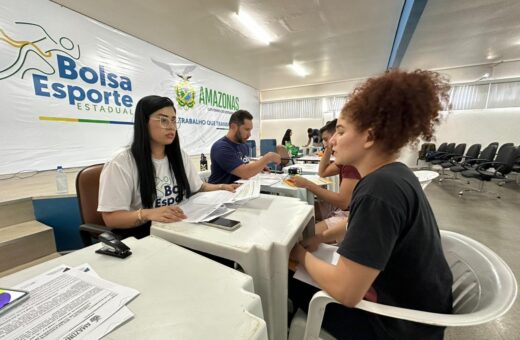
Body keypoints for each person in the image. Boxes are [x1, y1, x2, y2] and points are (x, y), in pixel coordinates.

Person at [290, 70, 453, 339]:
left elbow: (346, 292)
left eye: (340, 131)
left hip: (397, 324)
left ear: (369, 136)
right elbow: (356, 224)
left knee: (286, 281)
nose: (331, 141)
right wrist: (323, 236)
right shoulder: (395, 173)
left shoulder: (378, 190)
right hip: (418, 308)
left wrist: (300, 255)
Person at [98, 95, 237, 234]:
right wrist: (148, 214)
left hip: (182, 227)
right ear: (144, 122)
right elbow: (111, 218)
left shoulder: (179, 155)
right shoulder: (121, 162)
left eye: (174, 120)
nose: (171, 126)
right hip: (145, 235)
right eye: (163, 120)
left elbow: (198, 187)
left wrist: (222, 186)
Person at [289, 119, 361, 248]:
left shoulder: (351, 163)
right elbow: (323, 172)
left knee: (301, 238)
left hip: (349, 214)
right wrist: (328, 149)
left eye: (326, 139)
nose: (325, 143)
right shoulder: (343, 159)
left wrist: (307, 184)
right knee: (304, 210)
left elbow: (343, 201)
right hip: (343, 208)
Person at [208, 110, 281, 184]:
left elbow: (242, 164)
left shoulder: (243, 145)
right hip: (219, 192)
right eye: (246, 129)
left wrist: (258, 167)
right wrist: (268, 157)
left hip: (237, 189)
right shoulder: (221, 147)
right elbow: (245, 173)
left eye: (250, 130)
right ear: (233, 127)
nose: (249, 134)